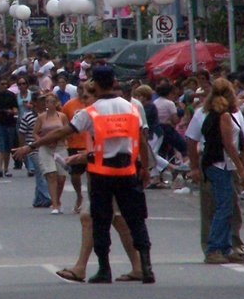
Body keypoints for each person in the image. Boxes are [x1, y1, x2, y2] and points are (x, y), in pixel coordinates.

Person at [17, 66, 154, 284]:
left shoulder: (91, 112)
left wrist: (32, 144)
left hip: (102, 174)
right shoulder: (130, 108)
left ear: (96, 84)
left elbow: (62, 132)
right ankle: (146, 267)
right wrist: (145, 169)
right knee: (136, 219)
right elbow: (142, 140)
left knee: (100, 222)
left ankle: (104, 269)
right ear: (114, 82)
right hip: (128, 171)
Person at [191, 79, 244, 264]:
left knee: (225, 205)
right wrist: (241, 167)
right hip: (220, 164)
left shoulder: (210, 114)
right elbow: (228, 144)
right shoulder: (224, 116)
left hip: (212, 163)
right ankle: (214, 247)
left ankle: (224, 246)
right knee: (224, 206)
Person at [33, 93, 69, 215]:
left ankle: (58, 200)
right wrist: (41, 141)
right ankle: (54, 204)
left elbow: (66, 131)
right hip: (45, 148)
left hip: (59, 147)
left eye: (51, 102)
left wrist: (60, 140)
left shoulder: (62, 116)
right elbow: (35, 132)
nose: (49, 104)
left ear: (56, 103)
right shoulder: (42, 117)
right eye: (47, 102)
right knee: (51, 174)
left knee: (61, 176)